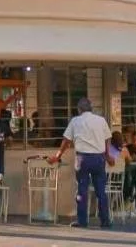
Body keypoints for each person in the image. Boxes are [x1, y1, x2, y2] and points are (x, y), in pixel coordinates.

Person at [48, 98, 112, 230]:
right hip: (99, 158)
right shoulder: (101, 121)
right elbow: (107, 139)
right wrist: (107, 155)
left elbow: (66, 141)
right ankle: (105, 220)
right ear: (91, 108)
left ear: (79, 109)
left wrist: (57, 156)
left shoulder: (75, 121)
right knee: (101, 191)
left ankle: (82, 221)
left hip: (82, 159)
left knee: (82, 190)